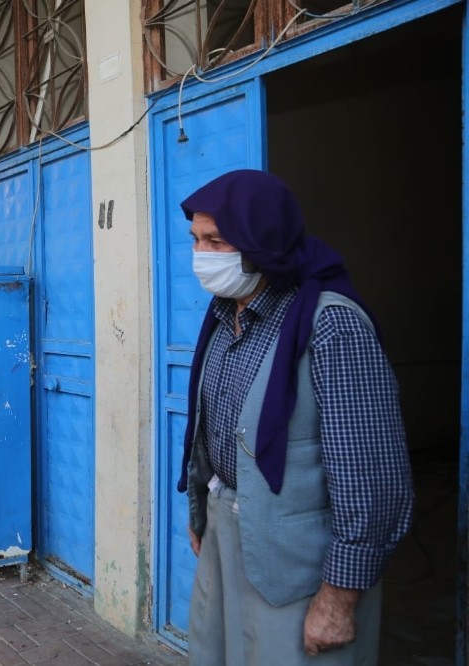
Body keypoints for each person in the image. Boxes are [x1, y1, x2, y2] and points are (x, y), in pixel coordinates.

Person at [177, 169, 414, 665]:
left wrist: (339, 596)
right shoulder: (224, 317)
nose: (202, 254)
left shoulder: (331, 324)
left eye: (216, 240)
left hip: (300, 566)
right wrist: (202, 510)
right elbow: (210, 429)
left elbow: (371, 474)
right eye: (197, 240)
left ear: (260, 240)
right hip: (227, 535)